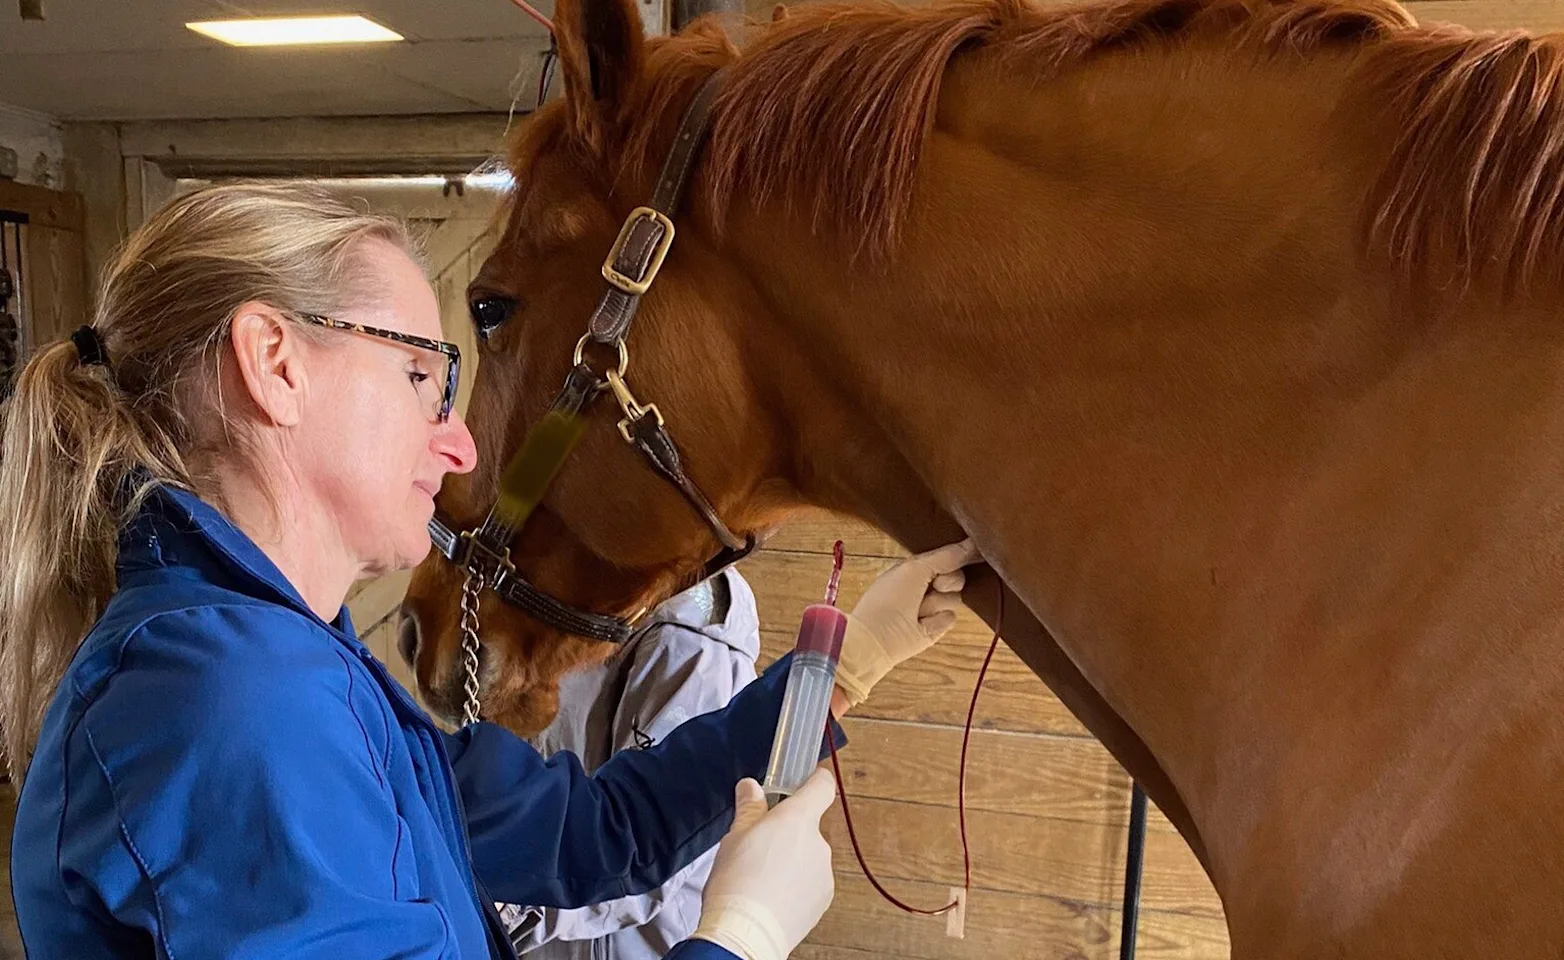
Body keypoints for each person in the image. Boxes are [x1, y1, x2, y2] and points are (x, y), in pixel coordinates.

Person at [0, 183, 983, 960]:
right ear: (275, 364)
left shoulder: (298, 671)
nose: (460, 449)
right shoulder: (229, 704)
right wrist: (738, 942)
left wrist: (840, 666)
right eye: (422, 375)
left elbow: (591, 833)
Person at [501, 568, 763, 959]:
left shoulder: (688, 645)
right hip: (547, 921)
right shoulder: (575, 600)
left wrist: (504, 901)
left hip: (616, 940)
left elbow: (645, 855)